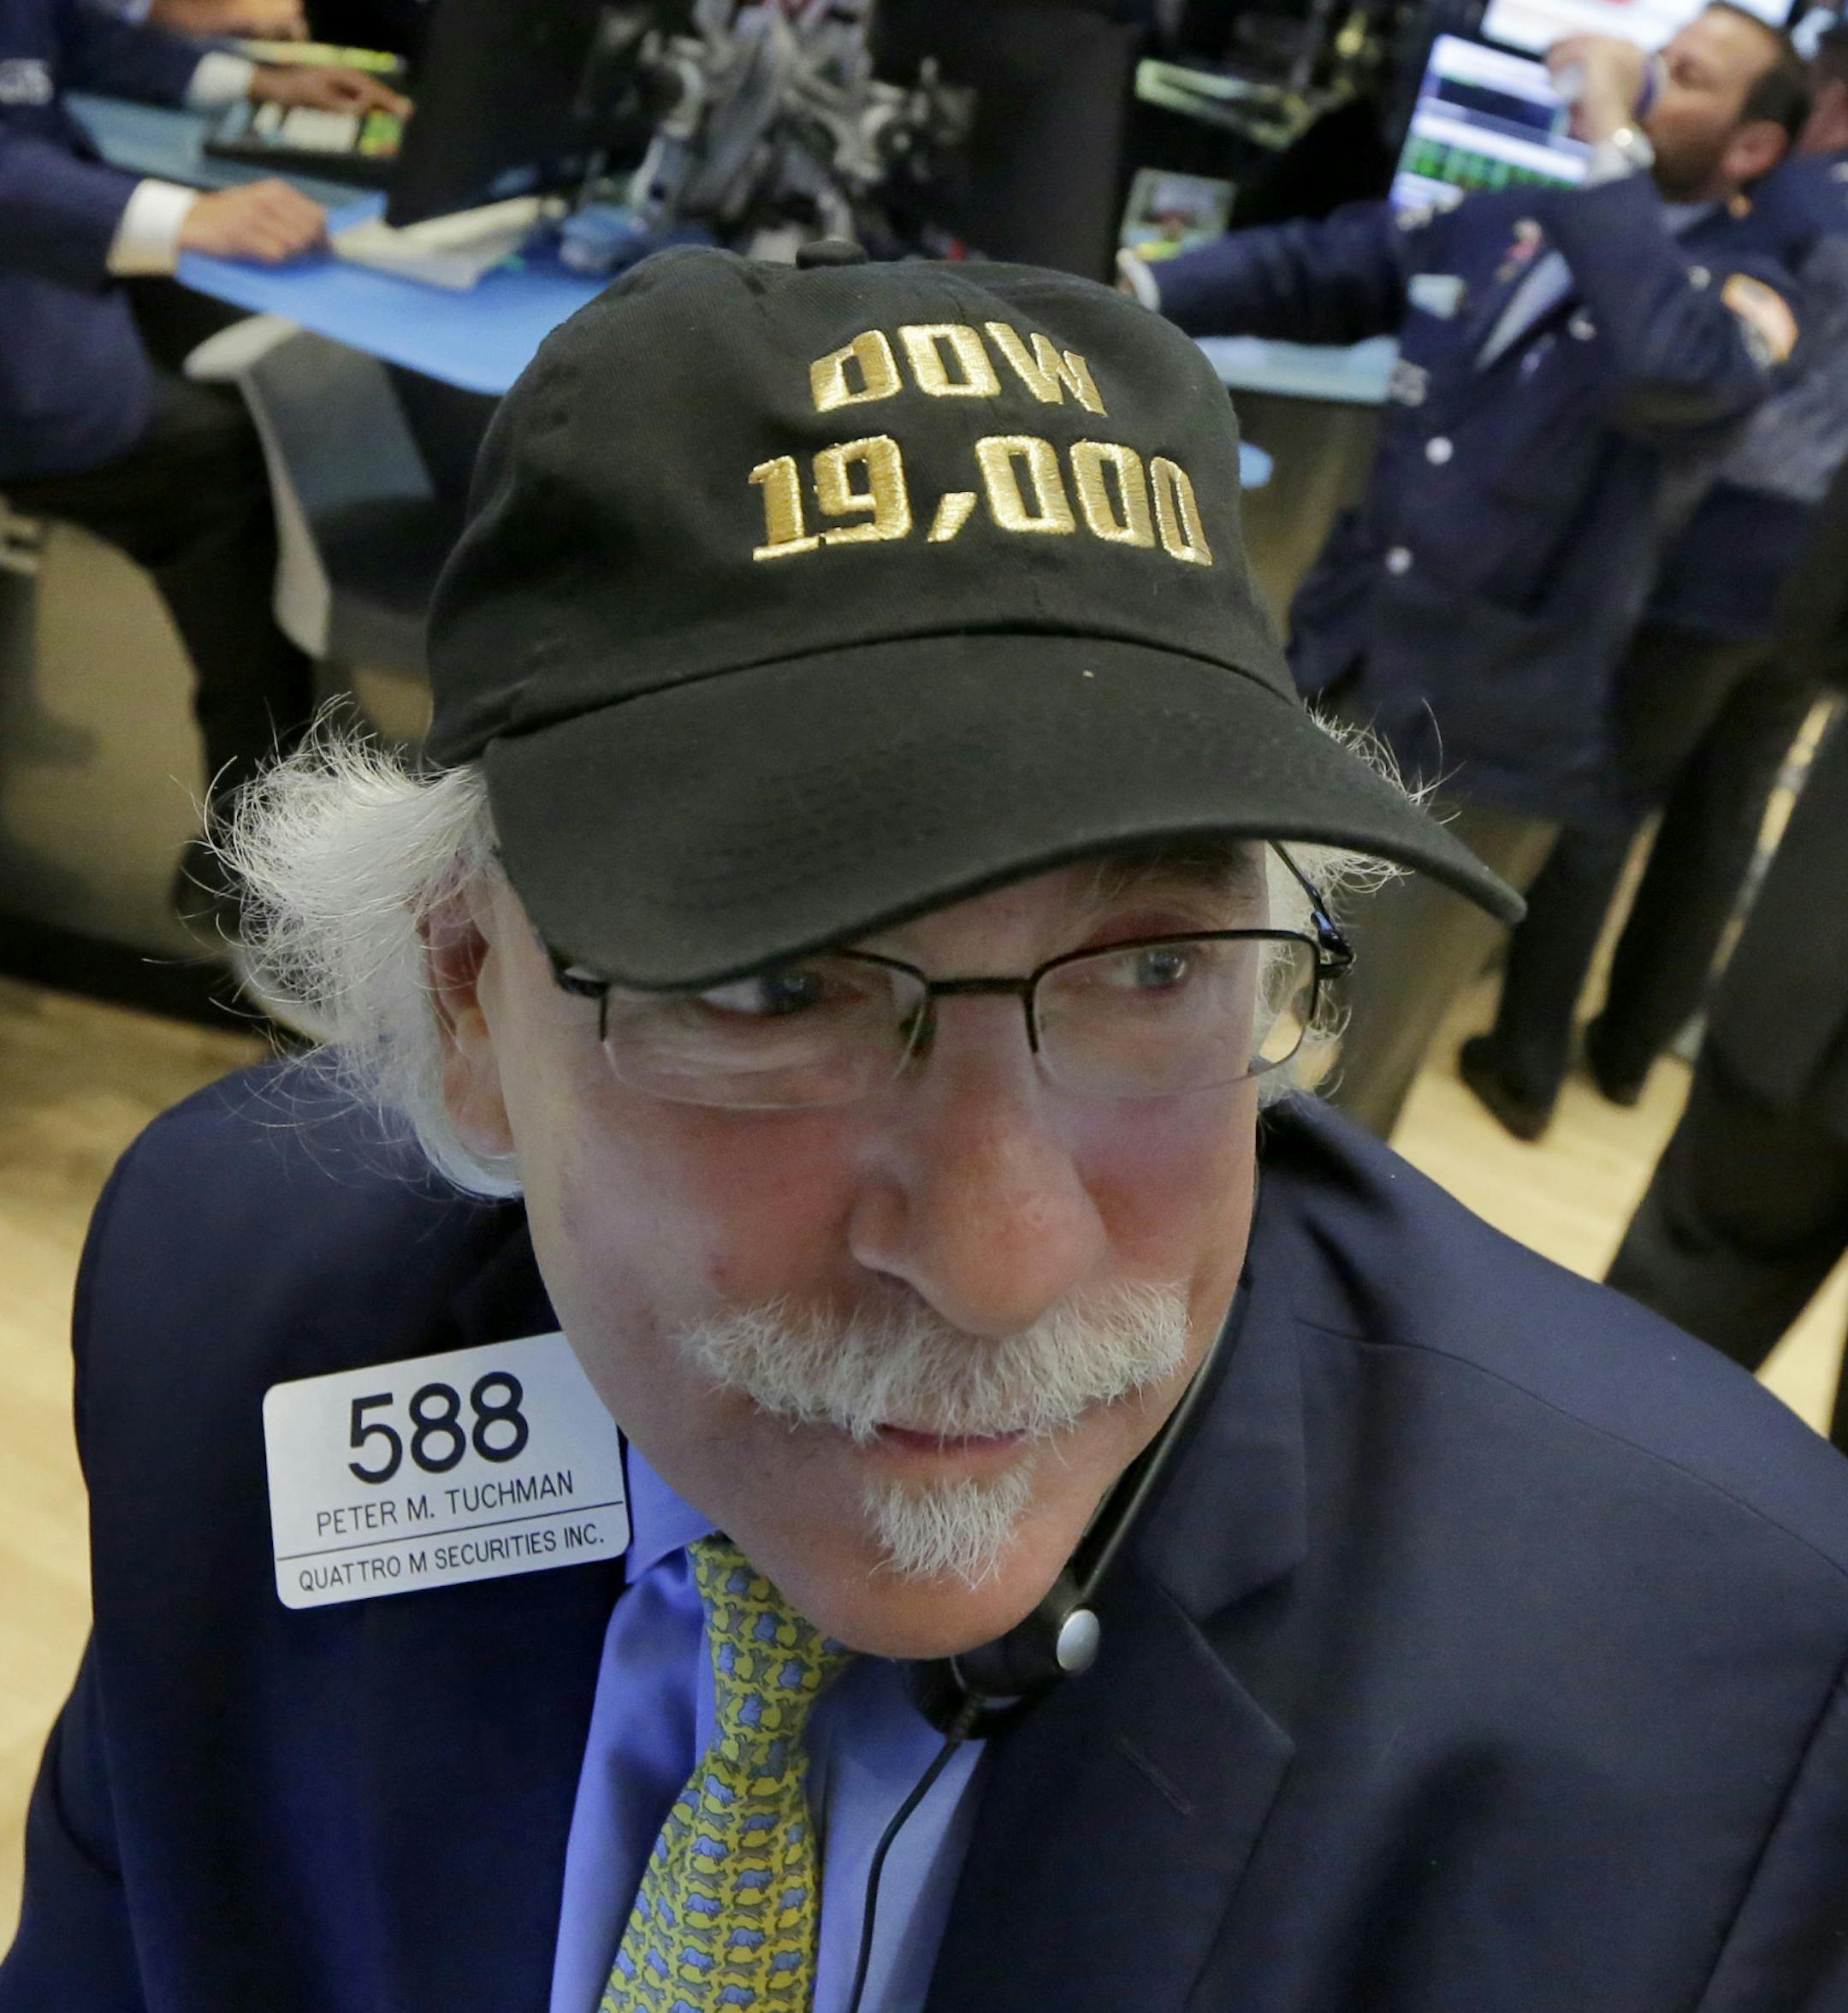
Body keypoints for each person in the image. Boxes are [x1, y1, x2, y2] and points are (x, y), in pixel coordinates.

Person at [6, 247, 1848, 2013]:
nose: (1000, 1262)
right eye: (773, 984)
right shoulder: (235, 1308)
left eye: (1153, 972)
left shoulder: (1719, 1704)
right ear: (474, 998)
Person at [1127, 3, 1816, 1135]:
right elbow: (1333, 263)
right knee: (1215, 1000)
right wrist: (1136, 289)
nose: (1643, 87)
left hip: (1487, 736)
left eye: (1681, 77)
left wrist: (1608, 149)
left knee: (1349, 1072)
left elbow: (1667, 372)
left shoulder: (1746, 287)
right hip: (1343, 666)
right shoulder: (1523, 217)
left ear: (1751, 147)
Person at [1461, 25, 1848, 1140]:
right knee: (1724, 816)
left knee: (1606, 797)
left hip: (1719, 534)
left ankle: (1524, 1061)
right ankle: (1629, 1054)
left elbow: (1683, 335)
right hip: (1821, 563)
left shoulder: (1797, 201)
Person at [0, 0, 406, 935]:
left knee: (251, 343)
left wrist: (256, 80)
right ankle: (250, 841)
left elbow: (64, 34)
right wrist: (184, 215)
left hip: (46, 248)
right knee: (217, 462)